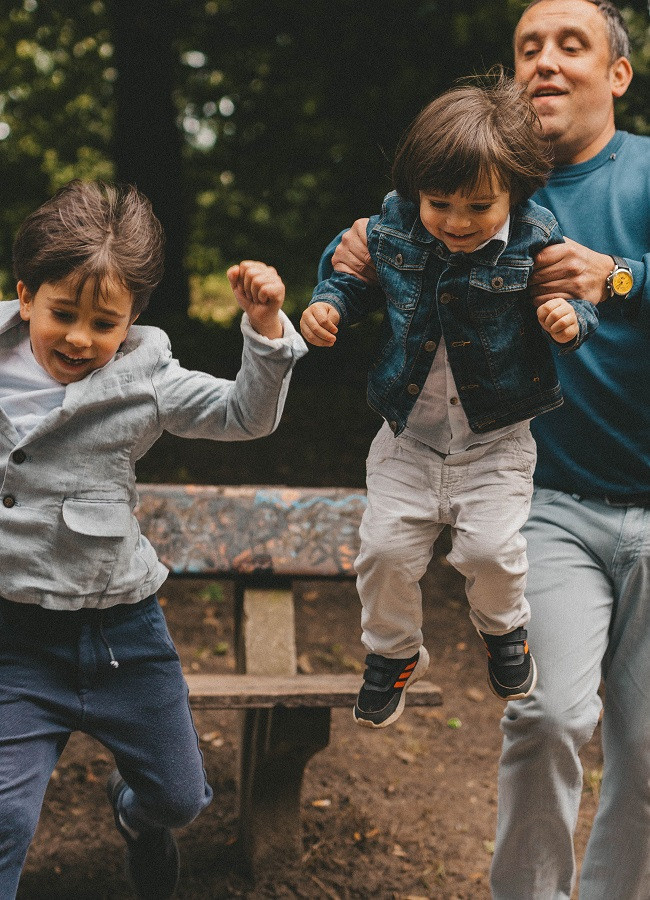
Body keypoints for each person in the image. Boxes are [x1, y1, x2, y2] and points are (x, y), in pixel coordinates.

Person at [322, 1, 649, 896]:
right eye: (527, 47)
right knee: (544, 717)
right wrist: (358, 256)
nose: (544, 60)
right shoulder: (480, 181)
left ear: (618, 73)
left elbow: (619, 280)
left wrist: (620, 276)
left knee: (649, 758)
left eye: (570, 44)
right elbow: (394, 241)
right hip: (547, 499)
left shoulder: (647, 174)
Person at [0, 179, 307, 900]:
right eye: (62, 314)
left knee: (177, 798)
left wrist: (265, 331)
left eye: (104, 323)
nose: (80, 338)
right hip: (15, 639)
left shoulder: (148, 379)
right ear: (24, 295)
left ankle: (135, 819)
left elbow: (245, 416)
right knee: (5, 817)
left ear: (133, 319)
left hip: (122, 637)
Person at [302, 72, 599, 730]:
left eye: (477, 208)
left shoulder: (535, 240)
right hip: (407, 437)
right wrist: (328, 304)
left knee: (492, 553)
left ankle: (505, 630)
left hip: (494, 439)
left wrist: (566, 318)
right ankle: (395, 654)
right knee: (382, 554)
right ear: (416, 193)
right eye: (440, 204)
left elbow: (569, 296)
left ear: (513, 195)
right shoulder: (394, 226)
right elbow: (350, 272)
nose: (457, 223)